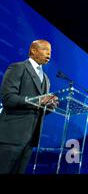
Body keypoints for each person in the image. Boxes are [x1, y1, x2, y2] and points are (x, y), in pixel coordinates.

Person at [0, 39, 58, 174]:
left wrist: (50, 105)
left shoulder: (46, 79)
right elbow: (8, 98)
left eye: (50, 52)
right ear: (33, 50)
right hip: (11, 137)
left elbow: (40, 108)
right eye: (45, 50)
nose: (49, 54)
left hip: (30, 140)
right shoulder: (18, 68)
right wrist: (38, 101)